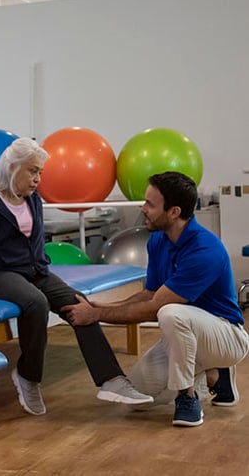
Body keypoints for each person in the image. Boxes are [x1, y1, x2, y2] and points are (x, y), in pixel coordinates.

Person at [0, 137, 153, 416]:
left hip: (34, 271)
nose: (38, 179)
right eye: (32, 171)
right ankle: (28, 376)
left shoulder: (32, 198)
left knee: (79, 303)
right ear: (12, 167)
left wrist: (42, 271)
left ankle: (112, 380)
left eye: (40, 172)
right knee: (35, 303)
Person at [62, 171, 249, 426]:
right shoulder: (159, 240)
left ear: (174, 211)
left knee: (170, 313)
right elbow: (149, 294)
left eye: (150, 204)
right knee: (138, 396)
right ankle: (217, 377)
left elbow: (154, 308)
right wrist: (103, 305)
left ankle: (187, 397)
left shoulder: (205, 250)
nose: (143, 208)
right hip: (185, 332)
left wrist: (96, 315)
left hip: (227, 335)